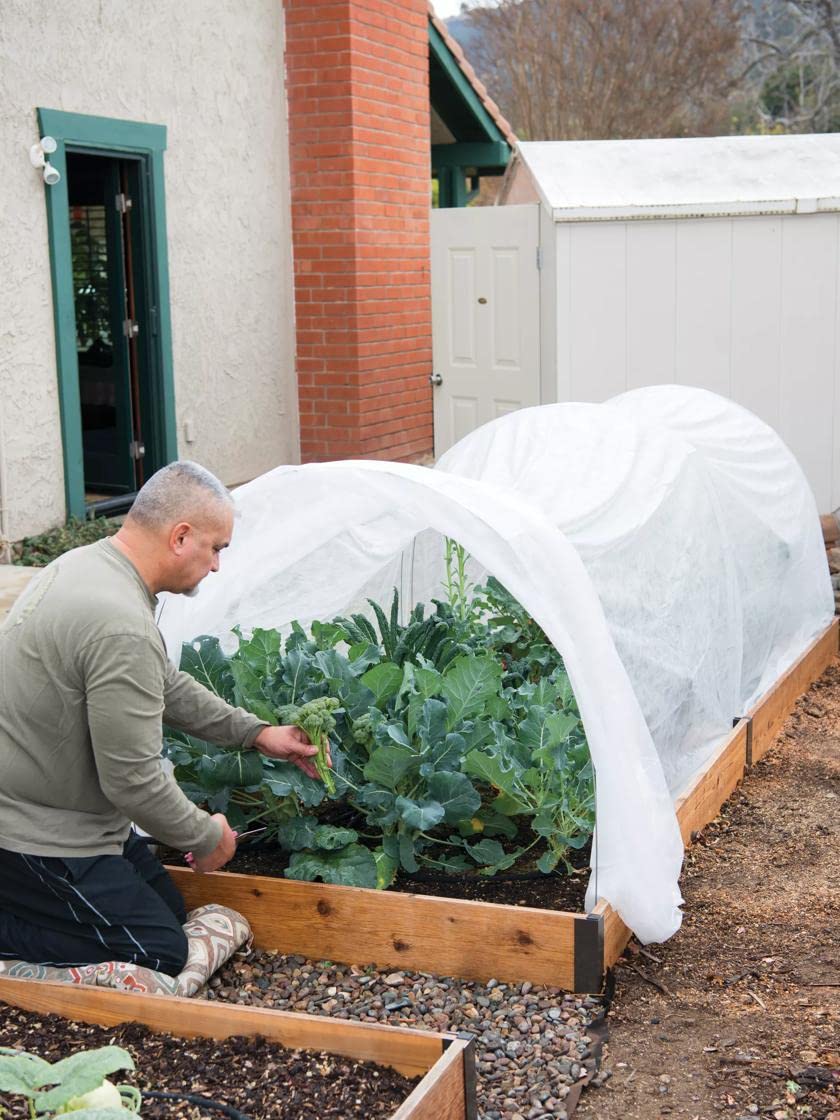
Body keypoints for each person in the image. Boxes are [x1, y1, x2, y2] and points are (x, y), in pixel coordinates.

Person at [0, 461, 327, 976]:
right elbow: (132, 780)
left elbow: (161, 683)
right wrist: (205, 837)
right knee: (159, 950)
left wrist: (257, 733)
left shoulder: (89, 565)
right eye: (216, 547)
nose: (217, 564)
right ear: (180, 536)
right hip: (34, 835)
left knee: (171, 915)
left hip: (72, 815)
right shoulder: (118, 623)